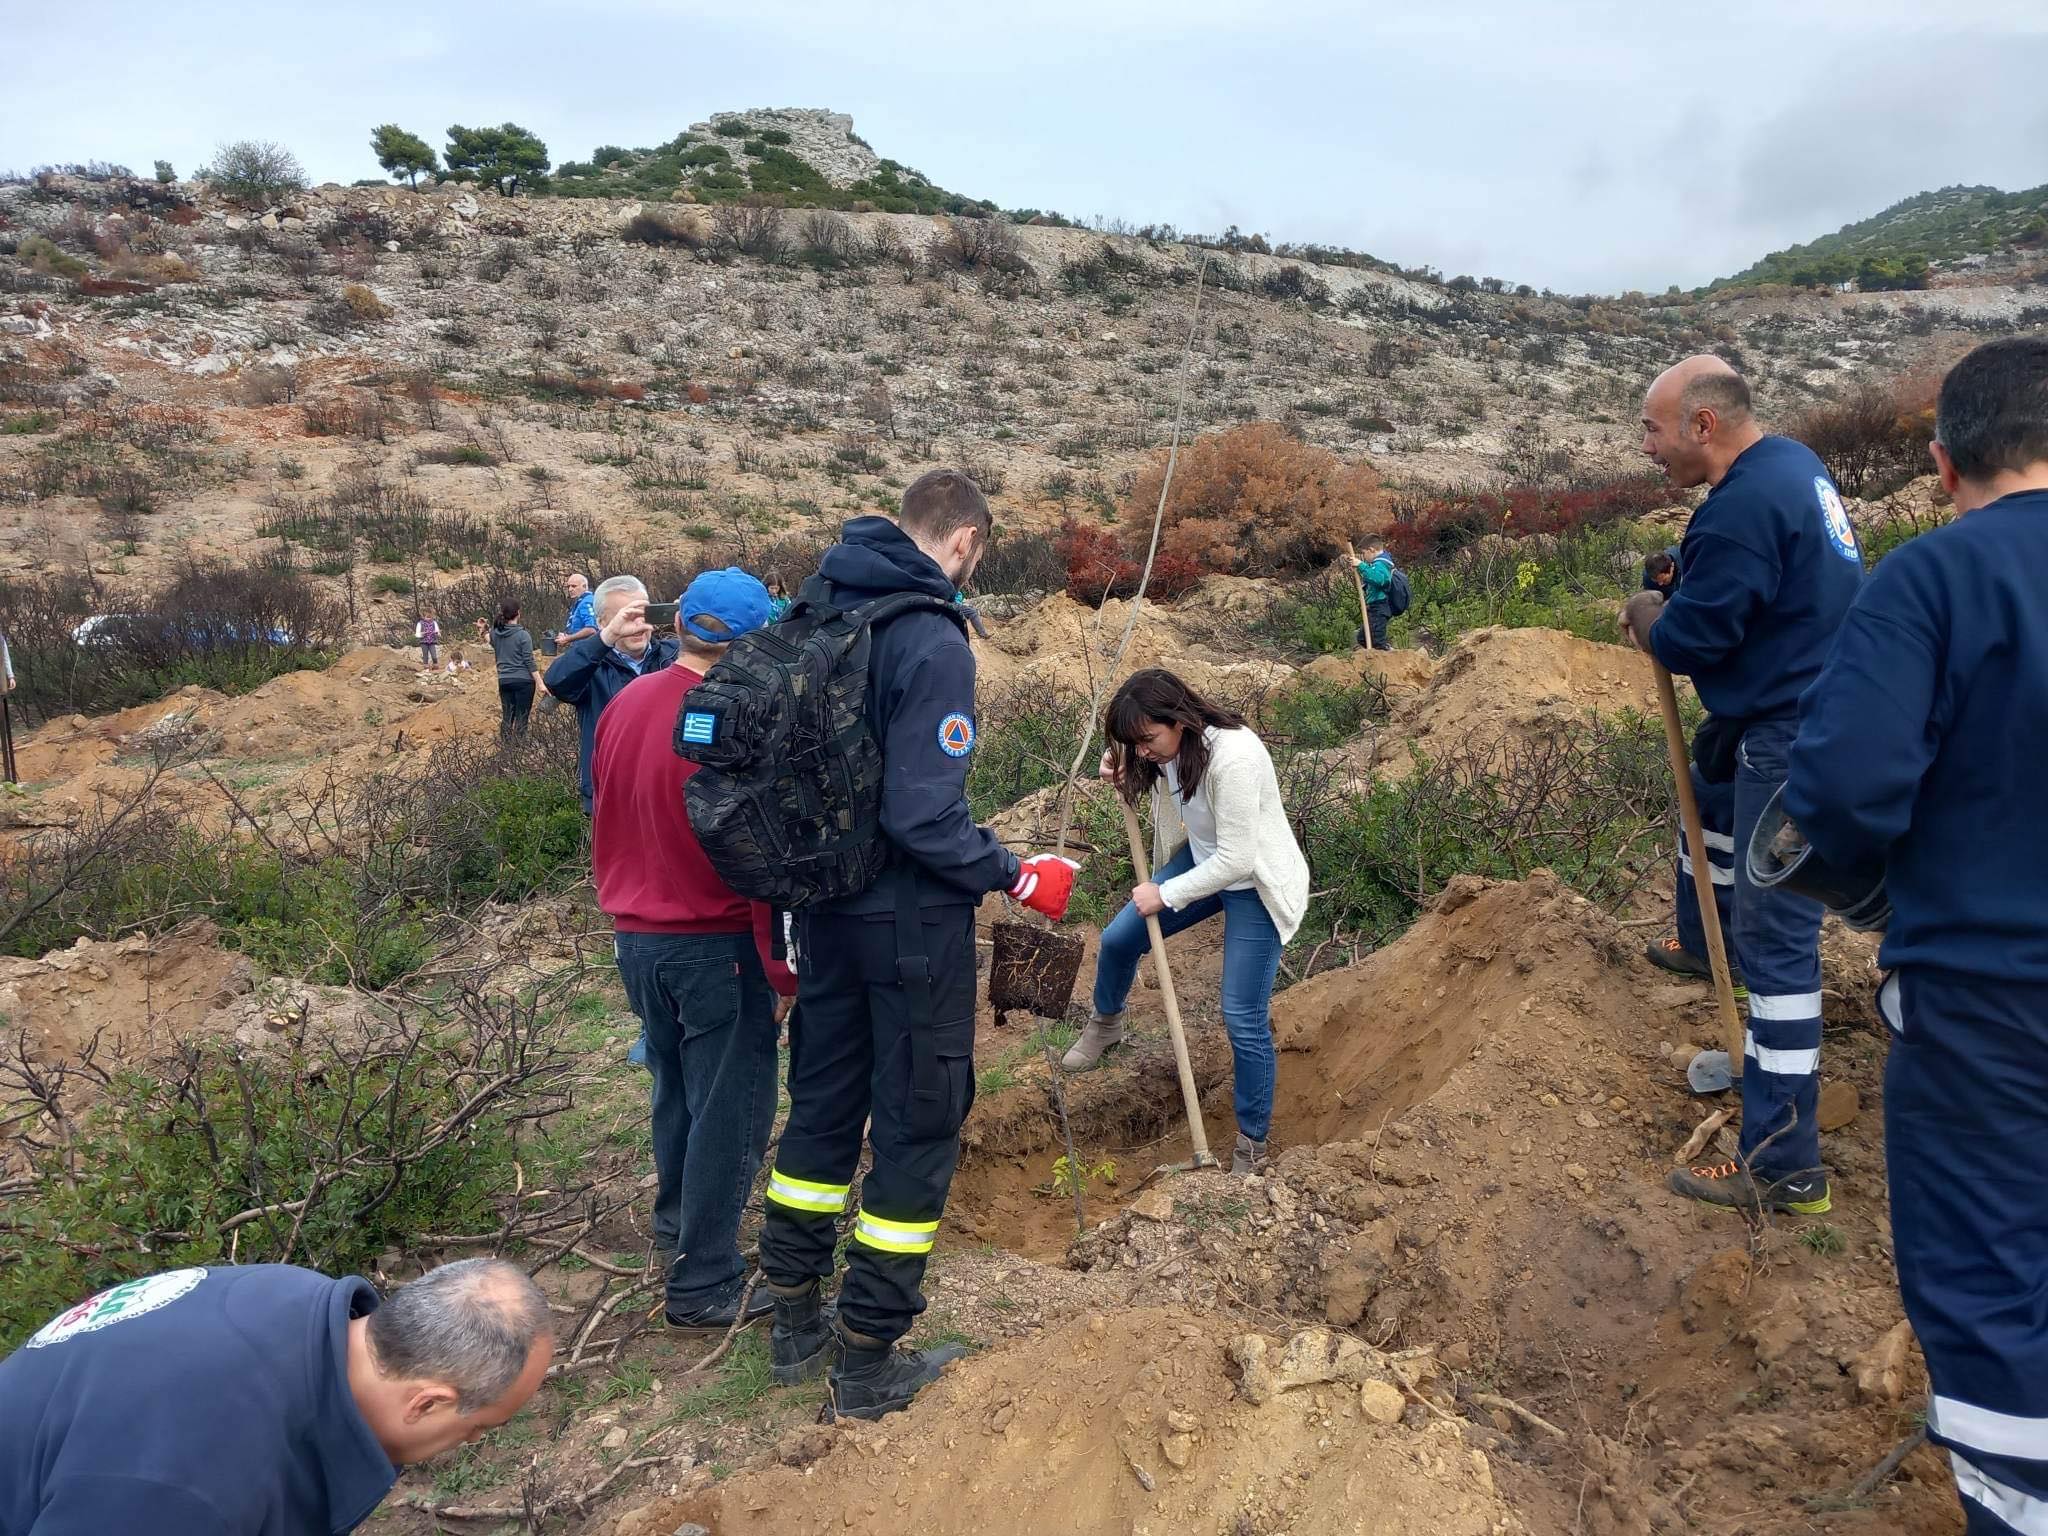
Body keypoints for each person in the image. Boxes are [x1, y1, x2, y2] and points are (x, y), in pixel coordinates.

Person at [1781, 336, 2048, 1536]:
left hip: (1989, 1010)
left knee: (1993, 1288)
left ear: (1941, 465)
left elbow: (1837, 791)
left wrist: (1870, 895)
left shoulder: (1934, 583)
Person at [756, 469, 1077, 1421]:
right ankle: (867, 1362)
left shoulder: (815, 616)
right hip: (907, 931)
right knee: (917, 1127)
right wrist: (1019, 875)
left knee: (818, 1111)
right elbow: (922, 815)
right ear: (967, 540)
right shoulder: (932, 638)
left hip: (823, 918)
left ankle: (792, 1321)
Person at [1619, 354, 1862, 1215]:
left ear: (1702, 426)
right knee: (1707, 797)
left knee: (1779, 945)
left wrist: (1650, 615)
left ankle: (1784, 1161)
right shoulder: (1790, 466)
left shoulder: (1742, 508)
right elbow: (1766, 588)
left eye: (1652, 428)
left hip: (1792, 731)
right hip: (1804, 702)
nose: (1645, 445)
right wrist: (1685, 585)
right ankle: (1698, 944)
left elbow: (1692, 645)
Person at [592, 567, 795, 1329]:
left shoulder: (625, 704)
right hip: (715, 942)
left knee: (675, 1086)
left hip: (636, 938)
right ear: (751, 643)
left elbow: (603, 805)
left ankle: (678, 1223)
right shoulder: (738, 720)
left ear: (682, 625)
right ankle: (704, 1280)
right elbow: (754, 855)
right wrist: (780, 970)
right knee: (731, 1107)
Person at [0, 1258, 552, 1535]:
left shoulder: (294, 1298)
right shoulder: (195, 1487)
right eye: (480, 1427)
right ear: (427, 1402)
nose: (471, 1442)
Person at [1063, 669, 1310, 1174]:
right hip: (1204, 862)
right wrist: (1127, 767)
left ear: (1179, 719)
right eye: (1136, 742)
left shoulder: (1234, 758)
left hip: (1251, 883)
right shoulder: (1172, 750)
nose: (1146, 749)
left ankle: (1251, 1146)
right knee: (1118, 940)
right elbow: (1165, 786)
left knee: (1242, 1015)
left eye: (1148, 739)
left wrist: (1166, 892)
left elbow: (1239, 859)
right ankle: (1106, 1025)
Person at [543, 575, 680, 818]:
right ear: (601, 622)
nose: (635, 624)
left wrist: (695, 625)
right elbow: (556, 681)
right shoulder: (588, 666)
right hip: (612, 796)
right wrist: (607, 638)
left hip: (670, 793)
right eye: (623, 616)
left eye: (642, 613)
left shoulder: (675, 656)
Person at [486, 601, 543, 740]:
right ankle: (518, 749)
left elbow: (490, 640)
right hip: (524, 681)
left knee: (507, 716)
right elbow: (529, 661)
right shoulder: (523, 635)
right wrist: (540, 683)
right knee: (521, 716)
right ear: (518, 613)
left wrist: (483, 630)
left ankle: (505, 749)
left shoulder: (496, 633)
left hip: (504, 680)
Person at [1355, 546, 1396, 650]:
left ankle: (1389, 658)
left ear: (1371, 550)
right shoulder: (1376, 564)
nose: (1364, 556)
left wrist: (1361, 565)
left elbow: (1379, 579)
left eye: (1364, 553)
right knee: (1362, 638)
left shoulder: (1381, 564)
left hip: (1380, 606)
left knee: (1377, 642)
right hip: (1374, 607)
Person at [556, 572, 597, 654]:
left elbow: (591, 629)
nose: (570, 589)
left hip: (587, 652)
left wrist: (568, 639)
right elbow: (579, 627)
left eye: (574, 586)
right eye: (568, 586)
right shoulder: (580, 602)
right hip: (580, 649)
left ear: (584, 586)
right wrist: (566, 635)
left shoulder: (586, 602)